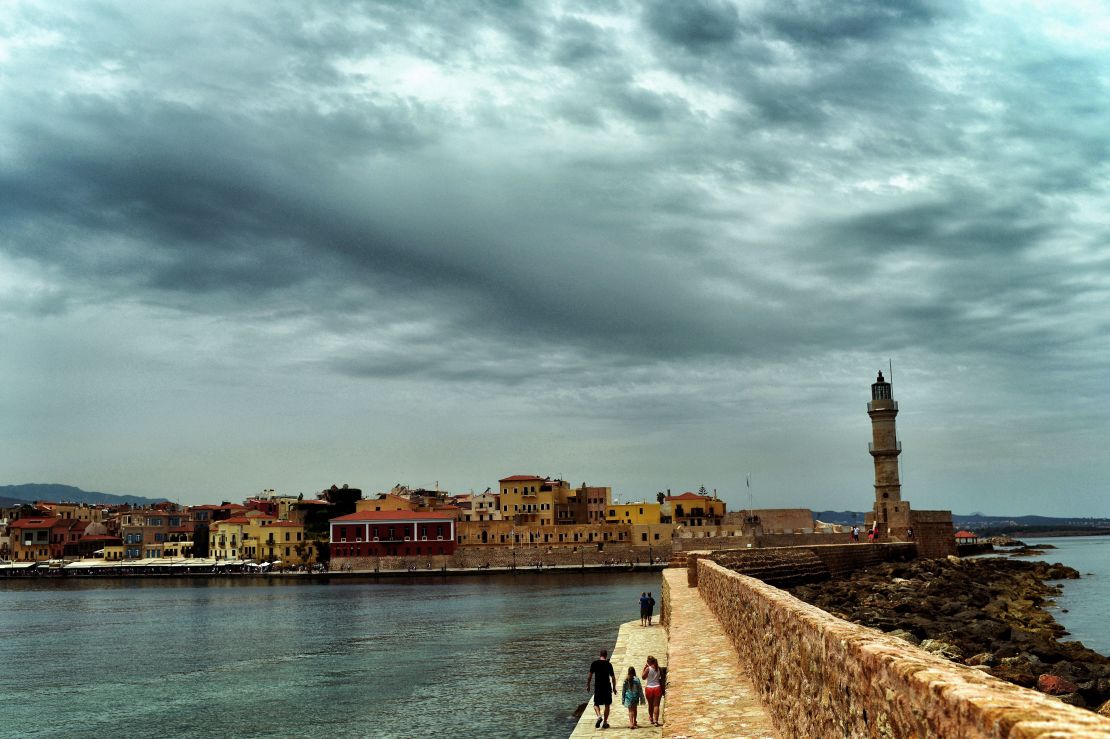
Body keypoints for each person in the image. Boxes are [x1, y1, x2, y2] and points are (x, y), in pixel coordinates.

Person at [587, 648, 617, 729]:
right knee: (607, 704)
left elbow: (590, 676)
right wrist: (614, 688)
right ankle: (605, 722)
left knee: (596, 704)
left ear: (600, 655)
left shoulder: (594, 663)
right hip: (607, 687)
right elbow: (613, 677)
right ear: (606, 655)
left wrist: (588, 685)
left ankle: (599, 716)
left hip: (598, 687)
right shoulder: (609, 664)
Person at [642, 655, 663, 726]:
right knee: (656, 705)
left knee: (650, 705)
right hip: (657, 687)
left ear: (649, 661)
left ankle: (651, 718)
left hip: (649, 688)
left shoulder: (648, 669)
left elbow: (643, 677)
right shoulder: (658, 668)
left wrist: (644, 669)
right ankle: (656, 721)